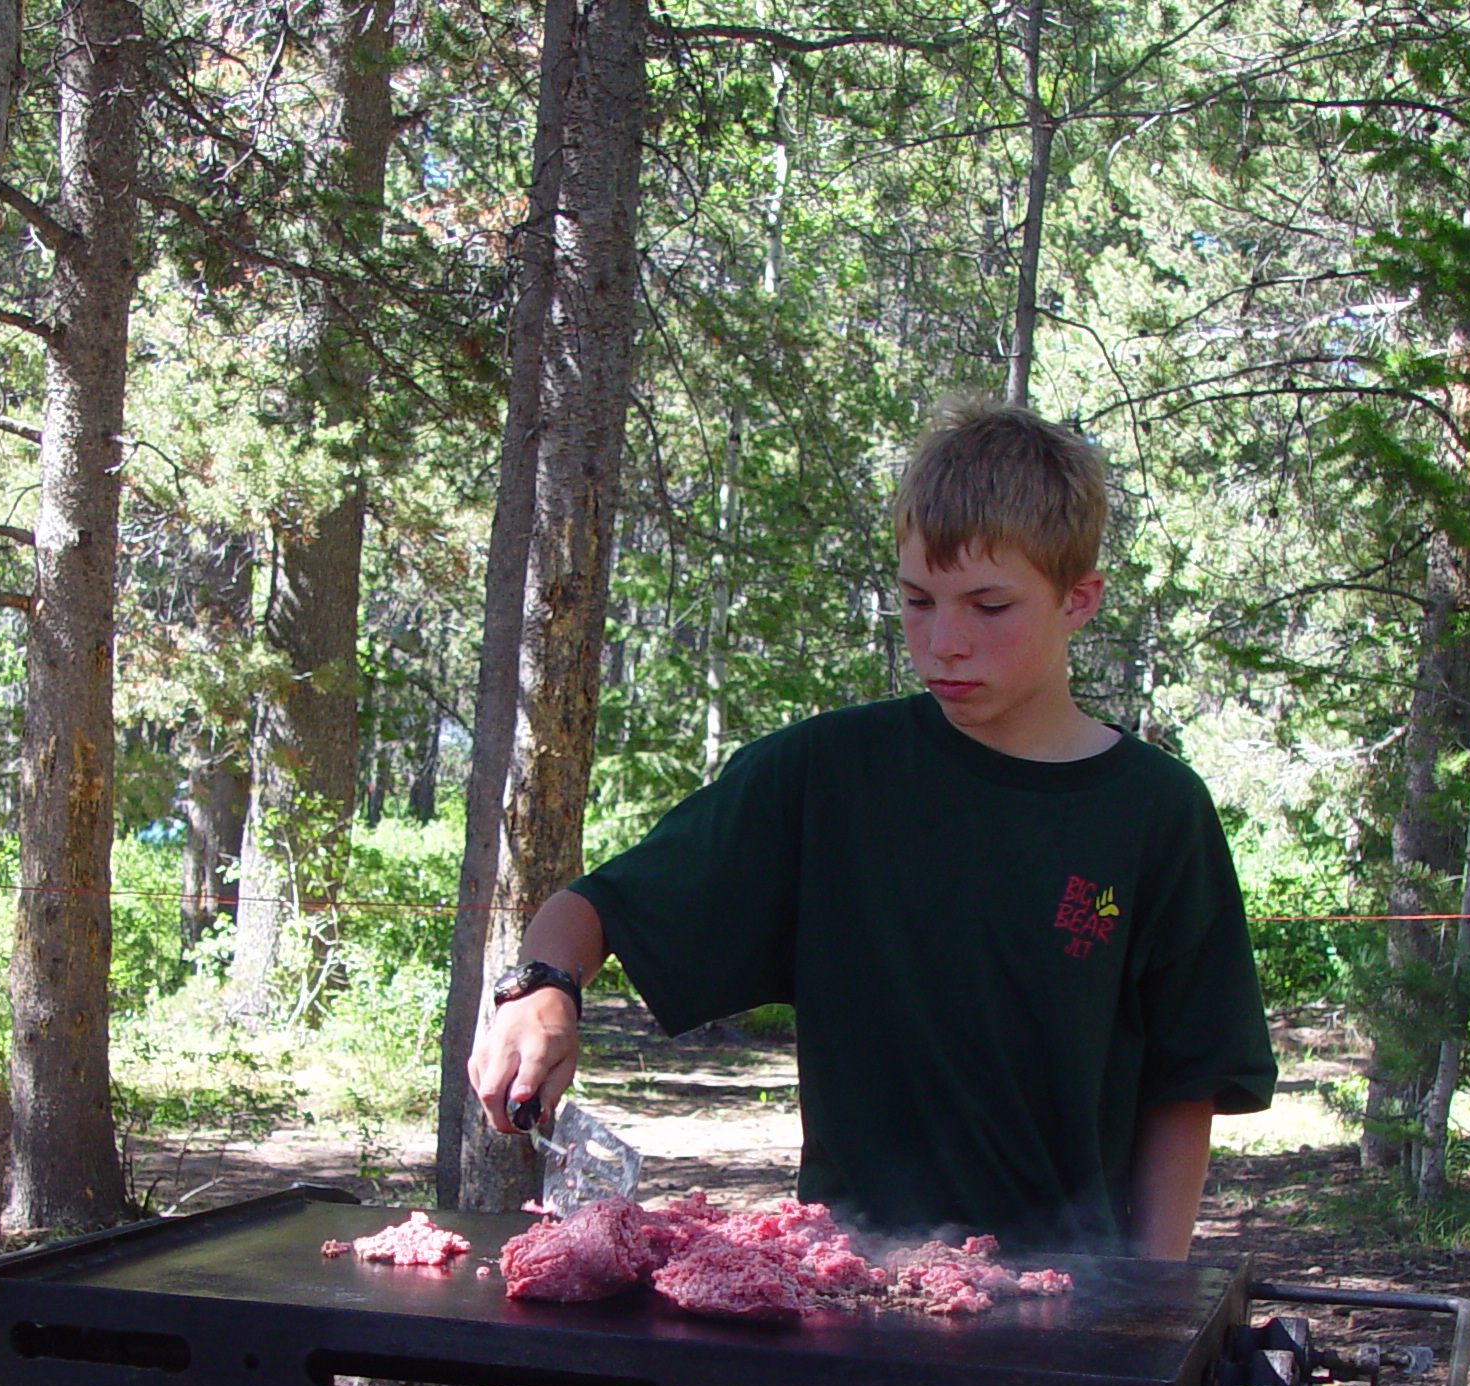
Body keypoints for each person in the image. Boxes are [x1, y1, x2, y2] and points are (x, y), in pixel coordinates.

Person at [469, 399, 1275, 1258]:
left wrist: (1148, 1301)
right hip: (845, 1287)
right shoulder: (827, 774)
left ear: (1079, 600)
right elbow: (597, 907)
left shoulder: (1154, 811)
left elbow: (1183, 1088)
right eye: (919, 600)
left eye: (989, 606)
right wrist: (544, 988)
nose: (944, 643)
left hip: (1065, 1300)